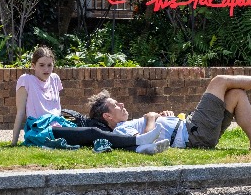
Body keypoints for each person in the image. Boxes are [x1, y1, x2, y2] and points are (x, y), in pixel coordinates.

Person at [89, 58, 251, 151]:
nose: (121, 104)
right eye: (115, 105)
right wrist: (151, 119)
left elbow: (156, 134)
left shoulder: (127, 124)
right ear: (107, 116)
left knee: (236, 93)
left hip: (191, 131)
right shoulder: (121, 131)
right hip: (194, 134)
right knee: (219, 81)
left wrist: (167, 119)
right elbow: (144, 141)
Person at [11, 46, 169, 154]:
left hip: (59, 123)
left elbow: (56, 108)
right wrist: (14, 142)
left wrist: (62, 122)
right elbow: (20, 112)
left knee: (95, 139)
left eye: (49, 65)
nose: (46, 69)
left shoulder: (55, 79)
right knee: (93, 132)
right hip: (41, 128)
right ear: (33, 65)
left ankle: (141, 148)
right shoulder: (26, 80)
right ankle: (138, 140)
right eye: (41, 65)